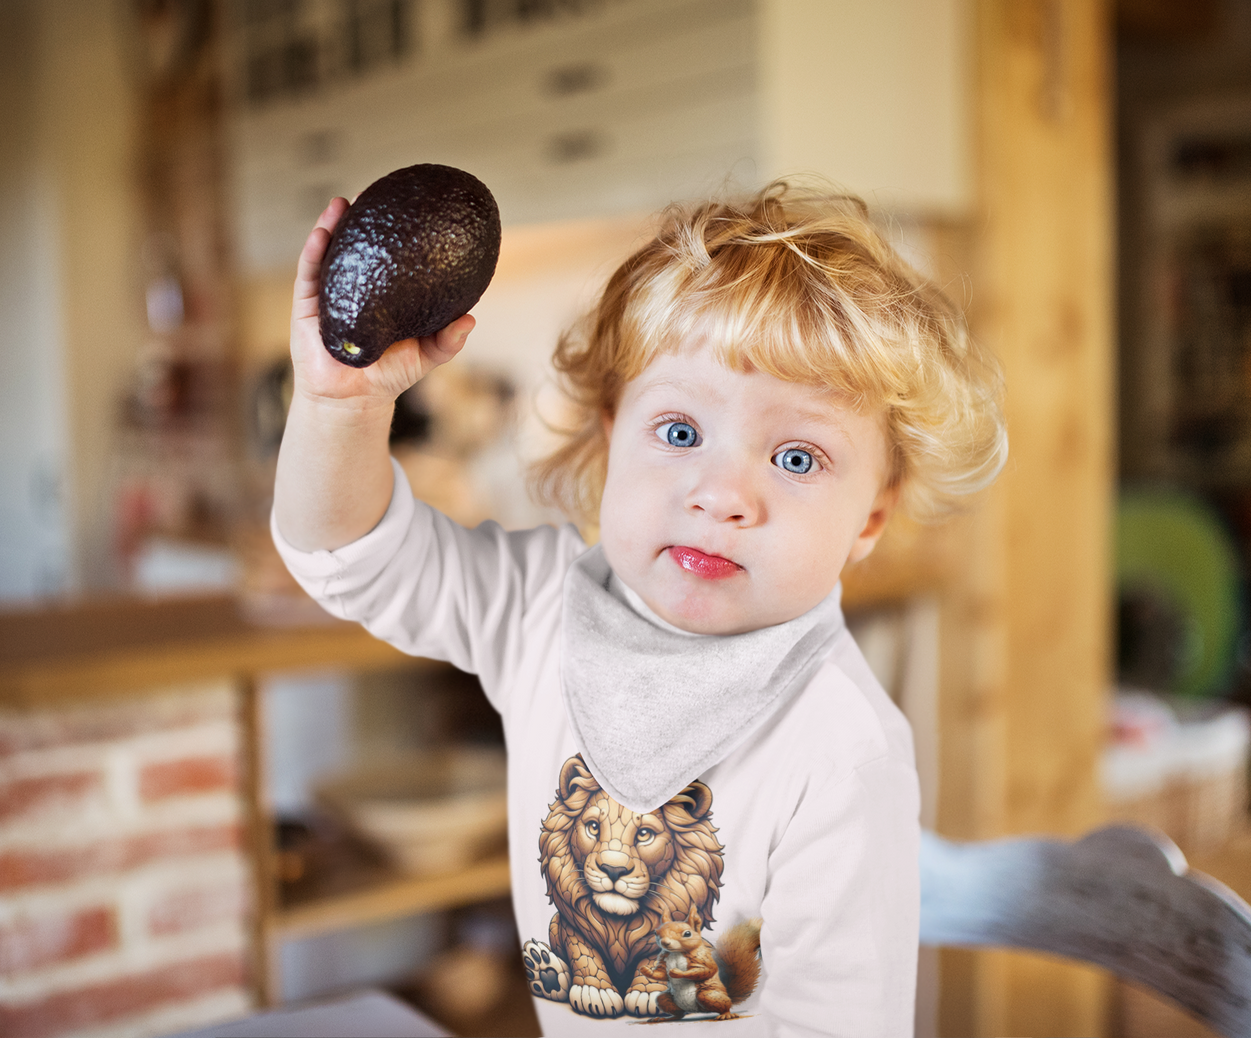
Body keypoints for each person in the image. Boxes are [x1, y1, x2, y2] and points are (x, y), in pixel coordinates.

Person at [272, 180, 1007, 1036]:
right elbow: (349, 558)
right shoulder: (538, 609)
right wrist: (340, 404)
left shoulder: (841, 748)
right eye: (682, 432)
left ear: (869, 518)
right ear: (609, 433)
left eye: (798, 458)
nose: (722, 494)